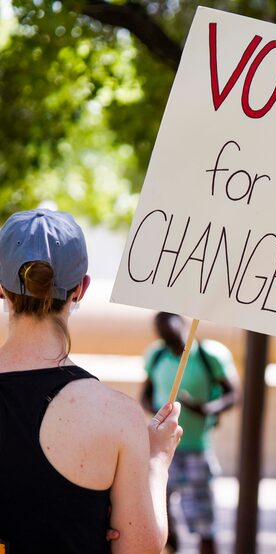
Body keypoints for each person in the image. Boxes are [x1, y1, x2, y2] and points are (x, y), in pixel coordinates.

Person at [0, 208, 182, 553]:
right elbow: (140, 548)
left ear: (2, 288)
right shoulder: (115, 415)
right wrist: (156, 461)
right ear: (81, 289)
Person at [141, 311, 239, 554]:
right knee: (161, 517)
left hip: (197, 449)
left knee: (204, 522)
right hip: (163, 452)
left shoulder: (209, 356)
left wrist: (206, 409)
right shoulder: (156, 356)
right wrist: (160, 412)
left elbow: (233, 394)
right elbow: (145, 394)